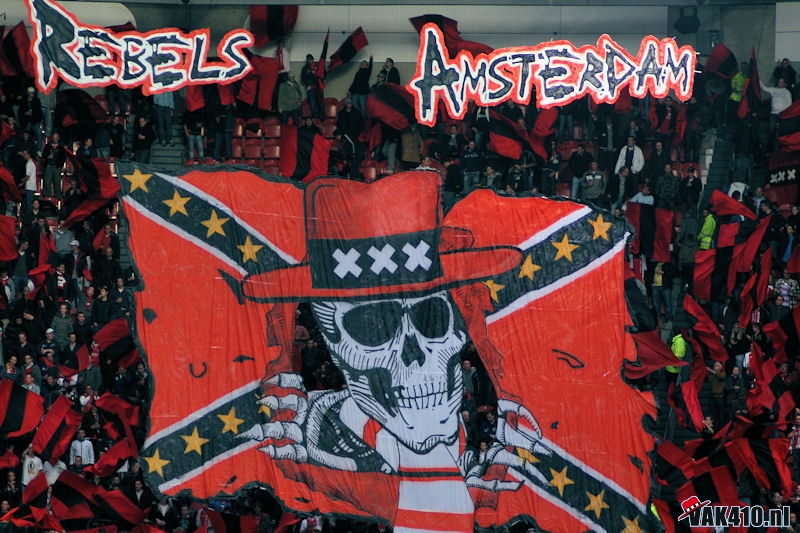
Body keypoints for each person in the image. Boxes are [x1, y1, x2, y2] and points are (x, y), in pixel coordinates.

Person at [41, 132, 66, 199]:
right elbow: (43, 156)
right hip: (49, 167)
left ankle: (57, 200)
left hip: (57, 167)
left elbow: (63, 158)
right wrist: (47, 157)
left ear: (58, 138)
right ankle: (48, 199)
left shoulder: (61, 147)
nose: (55, 139)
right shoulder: (48, 146)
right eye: (54, 137)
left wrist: (60, 165)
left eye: (56, 138)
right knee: (47, 183)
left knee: (57, 184)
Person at [301, 54, 322, 119]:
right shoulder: (305, 68)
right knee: (313, 104)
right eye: (308, 59)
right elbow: (303, 79)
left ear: (313, 59)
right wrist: (310, 74)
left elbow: (324, 74)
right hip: (310, 88)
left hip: (319, 87)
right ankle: (314, 118)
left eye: (311, 59)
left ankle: (321, 118)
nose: (310, 60)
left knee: (320, 103)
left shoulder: (318, 66)